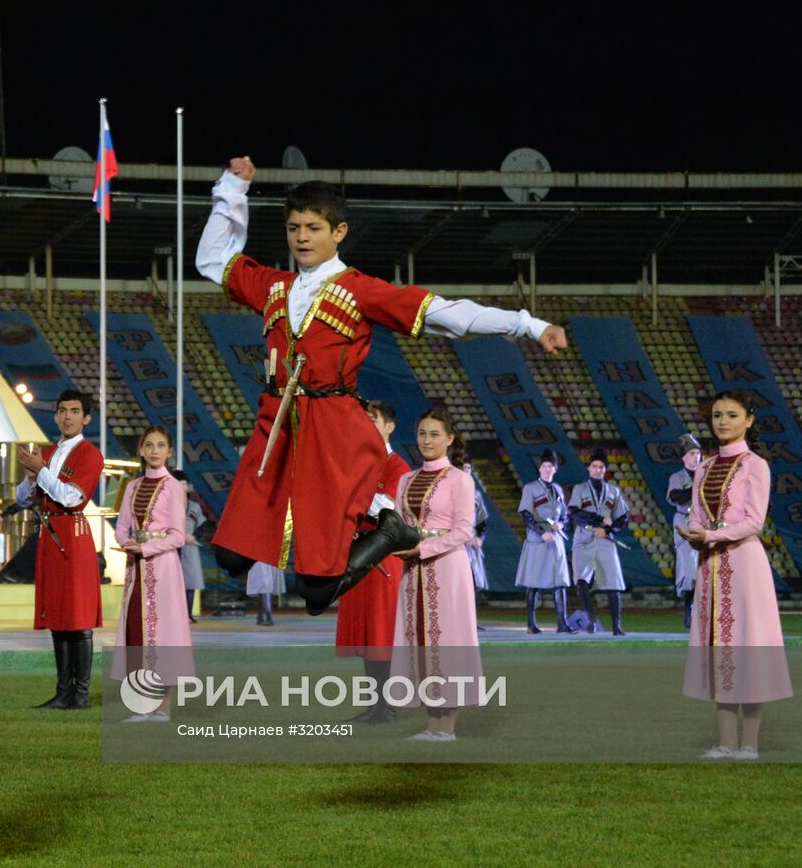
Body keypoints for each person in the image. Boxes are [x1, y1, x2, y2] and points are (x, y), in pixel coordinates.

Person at [195, 156, 565, 616]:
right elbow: (213, 260)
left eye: (313, 227)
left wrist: (528, 324)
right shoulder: (274, 287)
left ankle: (389, 532)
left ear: (339, 232)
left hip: (331, 431)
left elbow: (446, 315)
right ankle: (378, 535)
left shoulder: (360, 290)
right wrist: (232, 189)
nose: (302, 237)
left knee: (315, 593)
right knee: (229, 555)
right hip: (276, 427)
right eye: (294, 228)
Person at [682, 392, 793, 760]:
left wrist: (710, 534)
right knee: (720, 649)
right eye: (717, 415)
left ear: (749, 420)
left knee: (749, 646)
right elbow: (696, 513)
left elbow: (753, 522)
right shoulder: (703, 467)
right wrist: (695, 531)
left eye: (731, 415)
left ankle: (750, 744)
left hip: (744, 565)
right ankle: (725, 742)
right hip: (711, 567)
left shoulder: (755, 465)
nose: (723, 421)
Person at [390, 410, 481, 742]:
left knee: (448, 640)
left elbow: (463, 531)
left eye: (434, 435)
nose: (426, 441)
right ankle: (432, 726)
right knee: (420, 641)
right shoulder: (406, 479)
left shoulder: (460, 479)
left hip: (447, 568)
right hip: (413, 572)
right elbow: (401, 524)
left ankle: (448, 728)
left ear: (449, 439)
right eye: (422, 434)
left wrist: (423, 549)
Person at [13, 389, 104, 710]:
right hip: (49, 536)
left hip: (72, 534)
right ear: (55, 415)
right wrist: (30, 476)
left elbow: (71, 498)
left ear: (86, 418)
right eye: (63, 410)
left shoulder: (90, 455)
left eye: (75, 411)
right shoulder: (47, 453)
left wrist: (41, 471)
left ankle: (79, 695)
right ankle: (63, 691)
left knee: (77, 617)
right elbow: (24, 499)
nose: (68, 416)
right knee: (58, 615)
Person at [111, 426, 193, 722]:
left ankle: (164, 710)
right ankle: (140, 706)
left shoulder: (174, 487)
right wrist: (127, 543)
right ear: (142, 450)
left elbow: (178, 536)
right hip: (136, 572)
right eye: (149, 445)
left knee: (164, 635)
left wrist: (144, 548)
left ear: (170, 451)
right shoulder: (132, 487)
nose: (155, 450)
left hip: (164, 570)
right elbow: (121, 527)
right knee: (137, 633)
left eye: (161, 445)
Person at [335, 400, 410, 724]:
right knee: (366, 635)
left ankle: (388, 706)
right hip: (357, 558)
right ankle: (376, 706)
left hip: (383, 561)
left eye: (373, 419)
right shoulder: (356, 463)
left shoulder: (398, 467)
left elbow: (386, 508)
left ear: (389, 426)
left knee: (382, 633)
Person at [568, 447, 630, 635]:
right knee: (581, 581)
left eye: (601, 466)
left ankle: (616, 626)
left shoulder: (613, 491)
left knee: (614, 584)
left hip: (605, 540)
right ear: (589, 468)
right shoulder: (579, 489)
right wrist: (600, 521)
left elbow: (624, 517)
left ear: (605, 470)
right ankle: (591, 619)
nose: (598, 469)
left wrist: (608, 529)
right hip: (584, 538)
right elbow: (574, 512)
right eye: (594, 466)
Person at [515, 450, 574, 634]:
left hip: (556, 540)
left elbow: (565, 514)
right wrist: (541, 533)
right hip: (537, 539)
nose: (547, 469)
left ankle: (562, 624)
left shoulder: (557, 489)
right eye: (544, 466)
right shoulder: (530, 488)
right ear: (539, 468)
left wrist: (561, 524)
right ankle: (531, 625)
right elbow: (525, 513)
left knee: (560, 582)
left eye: (551, 466)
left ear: (555, 469)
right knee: (534, 582)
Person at [668, 434, 702, 630]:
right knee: (689, 570)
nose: (695, 457)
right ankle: (688, 612)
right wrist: (697, 487)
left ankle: (701, 613)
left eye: (697, 453)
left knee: (705, 570)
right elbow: (676, 497)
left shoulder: (706, 474)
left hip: (704, 523)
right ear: (684, 457)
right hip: (684, 521)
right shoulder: (677, 477)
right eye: (691, 453)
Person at [170, 469, 206, 623]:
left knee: (190, 582)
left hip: (189, 548)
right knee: (172, 583)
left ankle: (188, 614)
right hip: (170, 548)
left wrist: (194, 537)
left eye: (184, 484)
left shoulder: (194, 506)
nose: (181, 486)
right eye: (178, 483)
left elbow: (201, 526)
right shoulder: (165, 505)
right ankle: (173, 615)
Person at [463, 463, 490, 594]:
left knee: (473, 581)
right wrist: (465, 538)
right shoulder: (449, 490)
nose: (465, 470)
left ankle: (469, 614)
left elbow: (482, 521)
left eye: (468, 468)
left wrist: (480, 539)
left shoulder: (476, 494)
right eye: (462, 467)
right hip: (455, 542)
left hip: (472, 541)